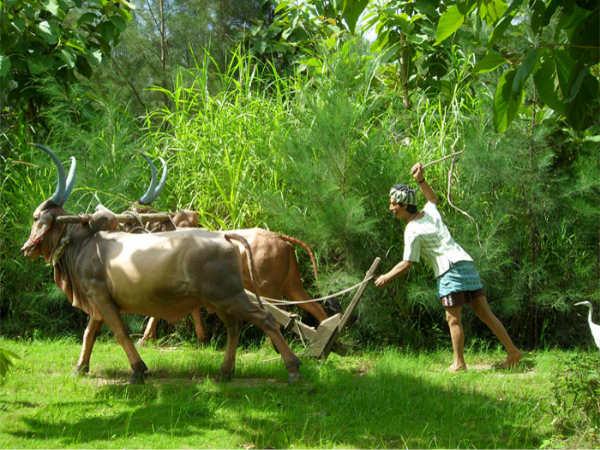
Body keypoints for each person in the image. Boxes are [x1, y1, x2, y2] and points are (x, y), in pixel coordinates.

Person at [374, 162, 522, 371]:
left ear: (404, 205)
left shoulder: (412, 230)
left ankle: (459, 364)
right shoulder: (430, 212)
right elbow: (433, 199)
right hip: (466, 264)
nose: (391, 209)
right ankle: (513, 352)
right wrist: (421, 180)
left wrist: (386, 277)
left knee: (453, 319)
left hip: (449, 270)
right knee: (486, 314)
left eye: (393, 205)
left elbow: (407, 262)